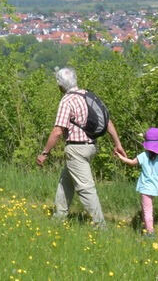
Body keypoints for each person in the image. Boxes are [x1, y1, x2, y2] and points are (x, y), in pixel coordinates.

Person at [36, 67, 126, 228]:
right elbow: (108, 121)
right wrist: (117, 144)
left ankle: (100, 226)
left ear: (60, 85)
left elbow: (57, 131)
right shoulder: (87, 95)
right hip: (90, 147)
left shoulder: (67, 100)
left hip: (76, 149)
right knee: (66, 181)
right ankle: (59, 216)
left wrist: (45, 153)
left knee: (85, 188)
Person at [114, 127, 158, 238]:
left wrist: (120, 156)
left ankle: (150, 233)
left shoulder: (143, 156)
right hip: (155, 188)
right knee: (147, 207)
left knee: (147, 210)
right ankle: (147, 227)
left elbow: (131, 162)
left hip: (145, 188)